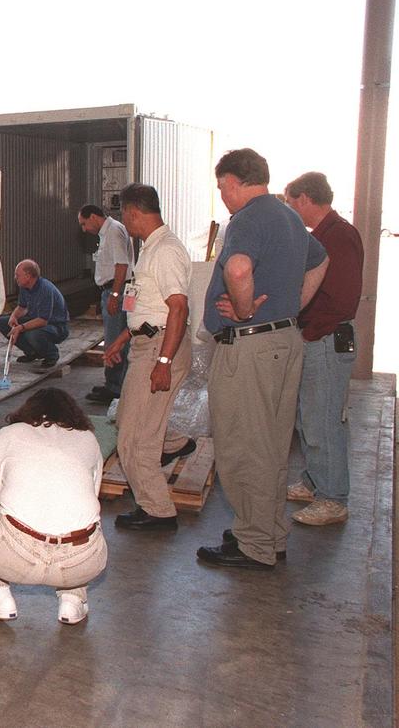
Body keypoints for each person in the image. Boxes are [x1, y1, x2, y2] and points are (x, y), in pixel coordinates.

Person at [197, 149, 328, 570]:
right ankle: (269, 535)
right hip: (285, 341)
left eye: (222, 188)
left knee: (242, 445)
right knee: (272, 446)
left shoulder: (250, 218)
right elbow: (320, 260)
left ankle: (253, 544)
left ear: (235, 182)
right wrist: (291, 308)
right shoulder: (288, 215)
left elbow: (237, 270)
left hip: (250, 347)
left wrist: (248, 308)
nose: (223, 197)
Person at [0, 387, 107, 625]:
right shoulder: (88, 439)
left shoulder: (11, 433)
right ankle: (73, 600)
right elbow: (92, 496)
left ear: (28, 411)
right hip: (82, 564)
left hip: (16, 557)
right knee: (85, 523)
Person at [103, 184, 196, 531]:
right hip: (149, 343)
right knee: (136, 419)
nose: (124, 223)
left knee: (134, 435)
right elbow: (148, 308)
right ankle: (178, 443)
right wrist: (120, 341)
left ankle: (157, 510)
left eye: (124, 215)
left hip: (160, 349)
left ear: (132, 212)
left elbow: (178, 308)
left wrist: (164, 363)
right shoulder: (151, 249)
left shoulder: (165, 251)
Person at [283, 172, 363, 526]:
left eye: (290, 203)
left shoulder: (339, 236)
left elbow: (343, 301)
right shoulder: (324, 235)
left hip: (328, 339)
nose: (290, 210)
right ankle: (315, 481)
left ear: (304, 199)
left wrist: (310, 331)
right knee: (308, 417)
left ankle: (333, 499)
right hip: (319, 338)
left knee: (324, 420)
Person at [77, 204, 133, 404]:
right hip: (111, 290)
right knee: (117, 339)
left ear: (93, 217)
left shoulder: (114, 231)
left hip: (115, 290)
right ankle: (116, 383)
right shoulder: (106, 233)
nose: (84, 229)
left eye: (84, 223)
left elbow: (122, 265)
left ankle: (115, 387)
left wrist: (115, 295)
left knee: (114, 340)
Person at [0, 259, 71, 368]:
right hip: (37, 319)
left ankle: (51, 355)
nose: (15, 278)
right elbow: (22, 307)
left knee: (33, 334)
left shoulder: (45, 289)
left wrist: (20, 327)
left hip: (56, 325)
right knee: (3, 322)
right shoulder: (24, 287)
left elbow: (43, 321)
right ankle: (32, 352)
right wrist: (13, 316)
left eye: (18, 275)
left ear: (28, 276)